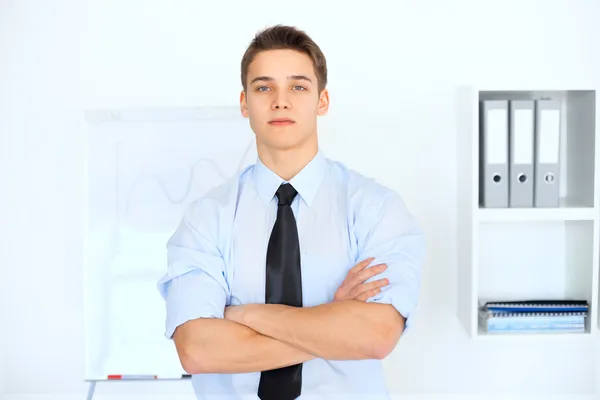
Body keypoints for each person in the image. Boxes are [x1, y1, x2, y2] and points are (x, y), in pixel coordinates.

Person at [157, 24, 426, 400]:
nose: (280, 101)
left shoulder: (375, 209)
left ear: (322, 101)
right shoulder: (206, 219)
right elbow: (198, 349)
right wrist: (335, 319)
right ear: (244, 102)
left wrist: (245, 314)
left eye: (298, 86)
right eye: (263, 87)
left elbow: (377, 335)